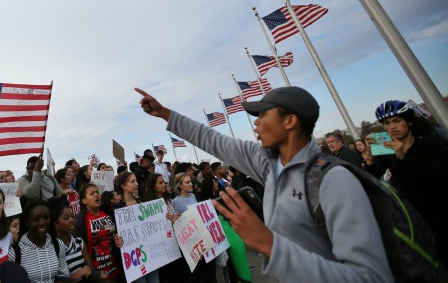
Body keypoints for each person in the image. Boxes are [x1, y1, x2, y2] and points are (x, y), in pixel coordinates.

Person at [135, 86, 392, 282]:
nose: (256, 122)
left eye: (262, 114)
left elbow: (371, 276)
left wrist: (269, 244)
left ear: (290, 121)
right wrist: (164, 113)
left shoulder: (333, 180)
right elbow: (209, 138)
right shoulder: (265, 161)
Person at [364, 100, 448, 265]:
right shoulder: (387, 149)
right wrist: (369, 160)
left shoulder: (431, 144)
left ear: (409, 121)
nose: (391, 127)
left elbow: (440, 178)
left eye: (396, 121)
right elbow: (373, 176)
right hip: (413, 220)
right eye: (387, 123)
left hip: (440, 215)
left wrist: (403, 157)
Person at [8, 200, 70, 282]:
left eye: (46, 217)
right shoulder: (15, 252)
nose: (42, 222)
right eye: (36, 219)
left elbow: (63, 277)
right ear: (27, 222)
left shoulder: (58, 245)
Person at [73, 184, 123, 281]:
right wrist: (94, 274)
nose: (97, 195)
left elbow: (116, 236)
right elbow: (80, 250)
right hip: (97, 275)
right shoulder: (80, 221)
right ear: (84, 201)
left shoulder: (108, 213)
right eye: (92, 193)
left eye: (97, 192)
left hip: (115, 270)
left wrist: (118, 241)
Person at [48, 197, 92, 281]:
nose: (72, 220)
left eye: (72, 216)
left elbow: (90, 270)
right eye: (66, 218)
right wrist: (80, 272)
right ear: (56, 224)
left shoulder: (80, 242)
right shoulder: (52, 248)